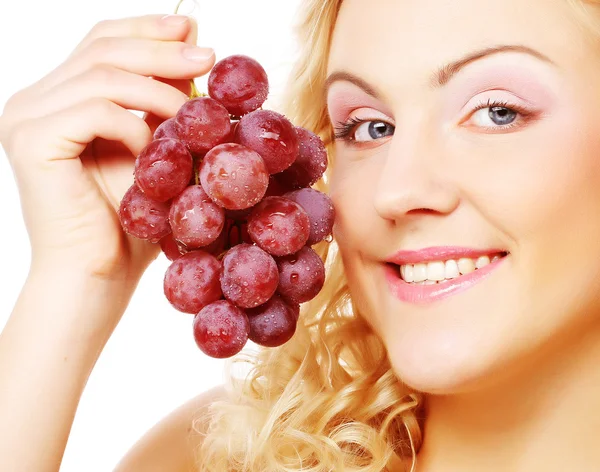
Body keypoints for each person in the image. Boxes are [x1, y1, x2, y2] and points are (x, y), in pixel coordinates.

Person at [3, 0, 600, 470]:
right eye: (369, 127)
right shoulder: (226, 455)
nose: (396, 190)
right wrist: (75, 279)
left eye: (499, 112)